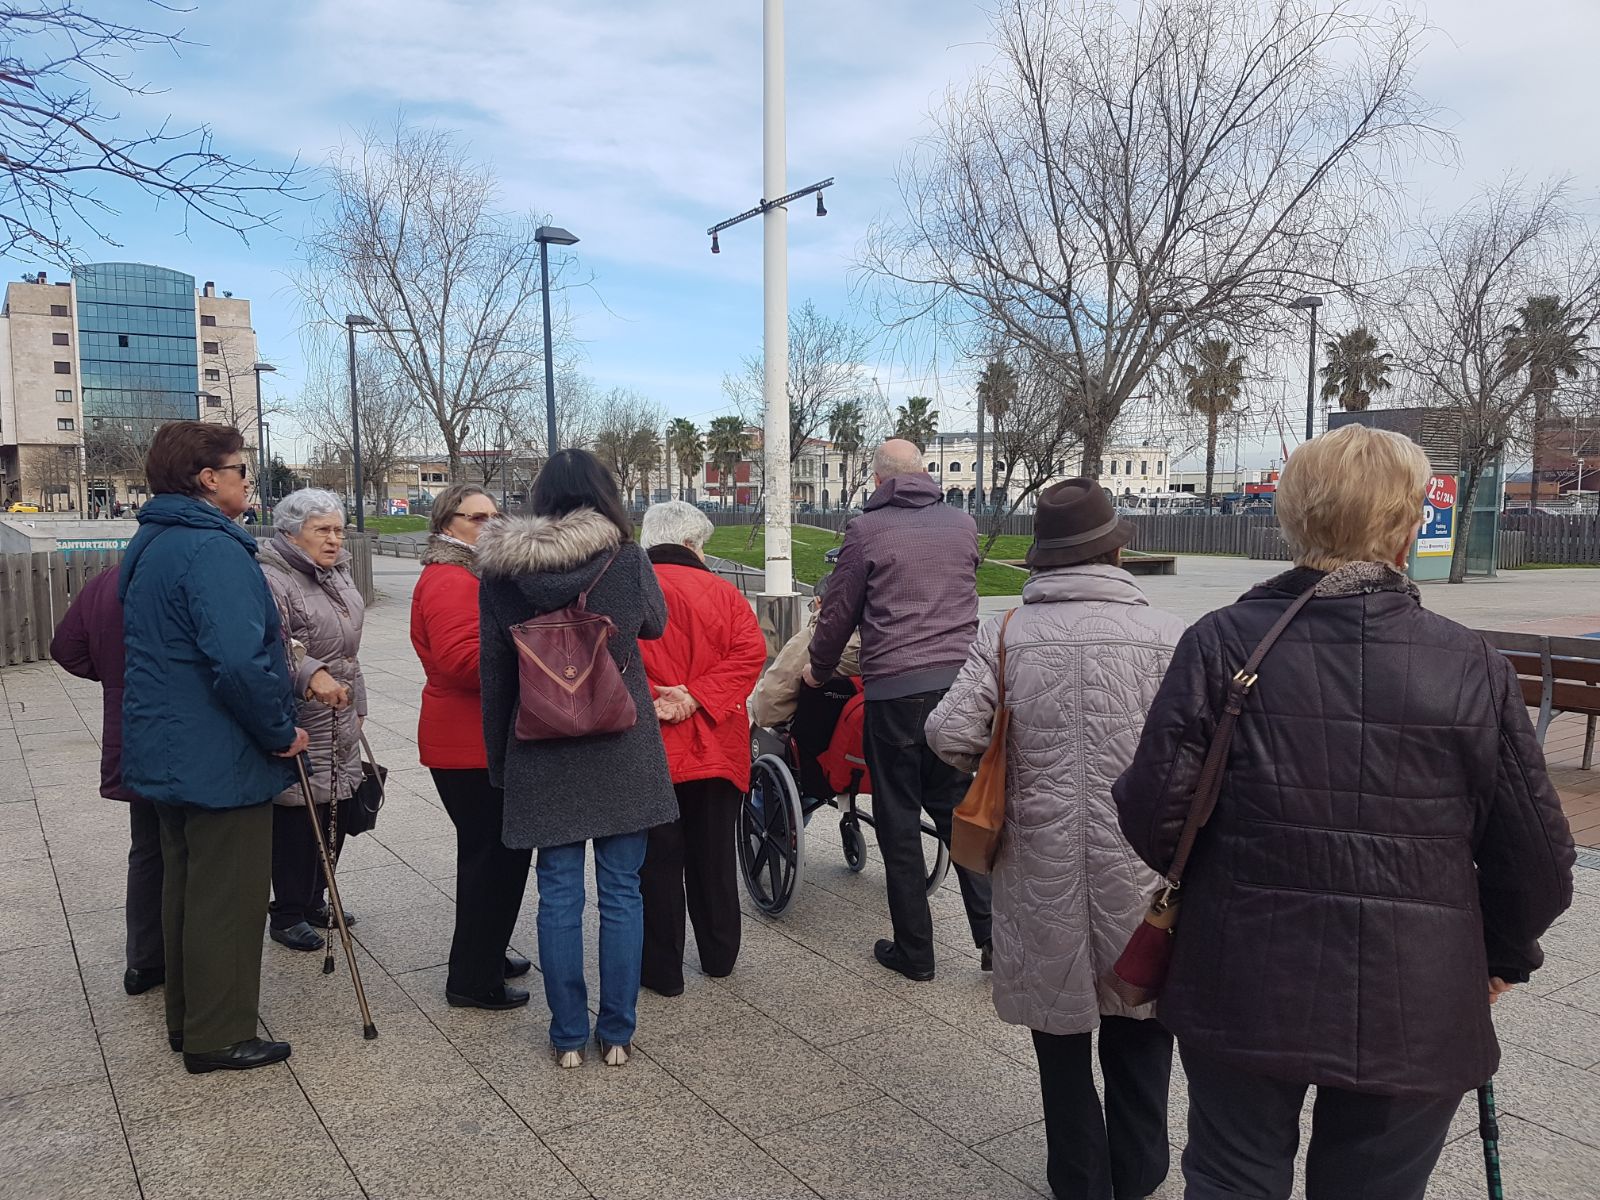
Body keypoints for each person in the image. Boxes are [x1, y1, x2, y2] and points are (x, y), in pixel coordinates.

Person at [1115, 425, 1576, 1200]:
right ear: (1407, 525)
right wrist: (1500, 955)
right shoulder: (1471, 663)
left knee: (1233, 1176)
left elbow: (1153, 813)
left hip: (1242, 973)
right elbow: (1535, 859)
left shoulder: (1221, 641)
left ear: (1294, 517)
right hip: (1417, 992)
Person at [927, 480, 1184, 1200]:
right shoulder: (1170, 634)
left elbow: (948, 735)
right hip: (1141, 869)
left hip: (1034, 864)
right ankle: (1138, 1174)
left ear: (1043, 558)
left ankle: (1078, 1178)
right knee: (1140, 1024)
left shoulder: (1004, 634)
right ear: (1117, 547)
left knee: (1061, 1041)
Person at [477, 448, 677, 1068]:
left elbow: (496, 674)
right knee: (622, 892)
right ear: (604, 495)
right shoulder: (626, 556)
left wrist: (500, 762)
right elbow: (655, 625)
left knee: (558, 894)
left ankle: (566, 1037)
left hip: (540, 747)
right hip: (622, 746)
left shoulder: (501, 573)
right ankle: (616, 1032)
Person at [118, 421, 307, 1074]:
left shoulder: (153, 541)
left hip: (168, 748)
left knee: (186, 886)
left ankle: (188, 1020)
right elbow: (239, 662)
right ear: (208, 480)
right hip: (217, 754)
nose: (248, 481)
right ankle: (219, 1034)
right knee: (227, 894)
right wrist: (281, 733)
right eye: (241, 470)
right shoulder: (212, 550)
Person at [804, 438, 992, 981]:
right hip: (960, 687)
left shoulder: (867, 530)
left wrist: (819, 667)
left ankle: (916, 951)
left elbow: (839, 612)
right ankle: (992, 938)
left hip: (896, 693)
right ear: (925, 474)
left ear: (881, 480)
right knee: (957, 811)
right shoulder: (963, 524)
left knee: (899, 818)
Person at [410, 483, 533, 1010]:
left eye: (495, 515)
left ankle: (486, 952)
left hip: (472, 739)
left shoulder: (468, 576)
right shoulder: (451, 580)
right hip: (469, 743)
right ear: (447, 523)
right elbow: (464, 662)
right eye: (477, 518)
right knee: (493, 860)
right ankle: (472, 979)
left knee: (493, 857)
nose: (491, 525)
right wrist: (531, 650)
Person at [636, 501, 766, 997]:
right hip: (716, 744)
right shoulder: (725, 594)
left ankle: (663, 972)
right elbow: (750, 654)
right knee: (713, 856)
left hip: (650, 746)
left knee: (657, 862)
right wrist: (697, 696)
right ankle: (719, 956)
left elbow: (612, 658)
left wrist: (663, 699)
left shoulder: (629, 593)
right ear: (691, 544)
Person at [257, 489, 367, 953]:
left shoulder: (335, 573)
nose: (334, 539)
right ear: (290, 533)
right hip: (303, 708)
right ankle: (287, 911)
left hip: (341, 704)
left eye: (338, 529)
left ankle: (316, 896)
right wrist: (311, 674)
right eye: (322, 530)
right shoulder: (273, 577)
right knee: (300, 814)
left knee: (336, 805)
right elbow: (275, 644)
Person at [50, 568, 164, 997]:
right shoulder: (183, 574)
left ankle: (145, 960)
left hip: (130, 730)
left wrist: (114, 679)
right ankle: (188, 958)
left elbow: (66, 648)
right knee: (191, 848)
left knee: (148, 847)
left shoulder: (107, 580)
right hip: (185, 737)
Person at [749, 570, 860, 731]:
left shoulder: (809, 643)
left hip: (817, 741)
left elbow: (767, 709)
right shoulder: (890, 640)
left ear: (818, 603)